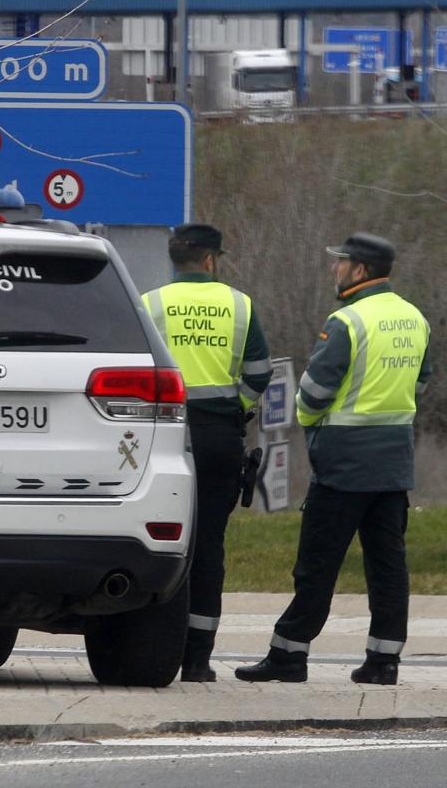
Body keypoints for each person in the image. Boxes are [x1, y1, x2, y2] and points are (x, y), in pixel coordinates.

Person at [236, 233, 431, 686]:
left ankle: (289, 655)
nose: (334, 270)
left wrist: (310, 421)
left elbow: (315, 393)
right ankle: (383, 662)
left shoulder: (347, 321)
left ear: (360, 270)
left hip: (343, 465)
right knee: (387, 566)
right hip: (393, 462)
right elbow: (422, 383)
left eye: (340, 263)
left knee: (316, 564)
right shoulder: (414, 318)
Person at [142, 223, 272, 683]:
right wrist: (234, 407)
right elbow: (259, 374)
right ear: (212, 260)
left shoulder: (151, 303)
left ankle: (157, 644)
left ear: (174, 259)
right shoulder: (239, 305)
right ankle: (198, 659)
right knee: (209, 545)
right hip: (219, 435)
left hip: (161, 437)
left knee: (162, 541)